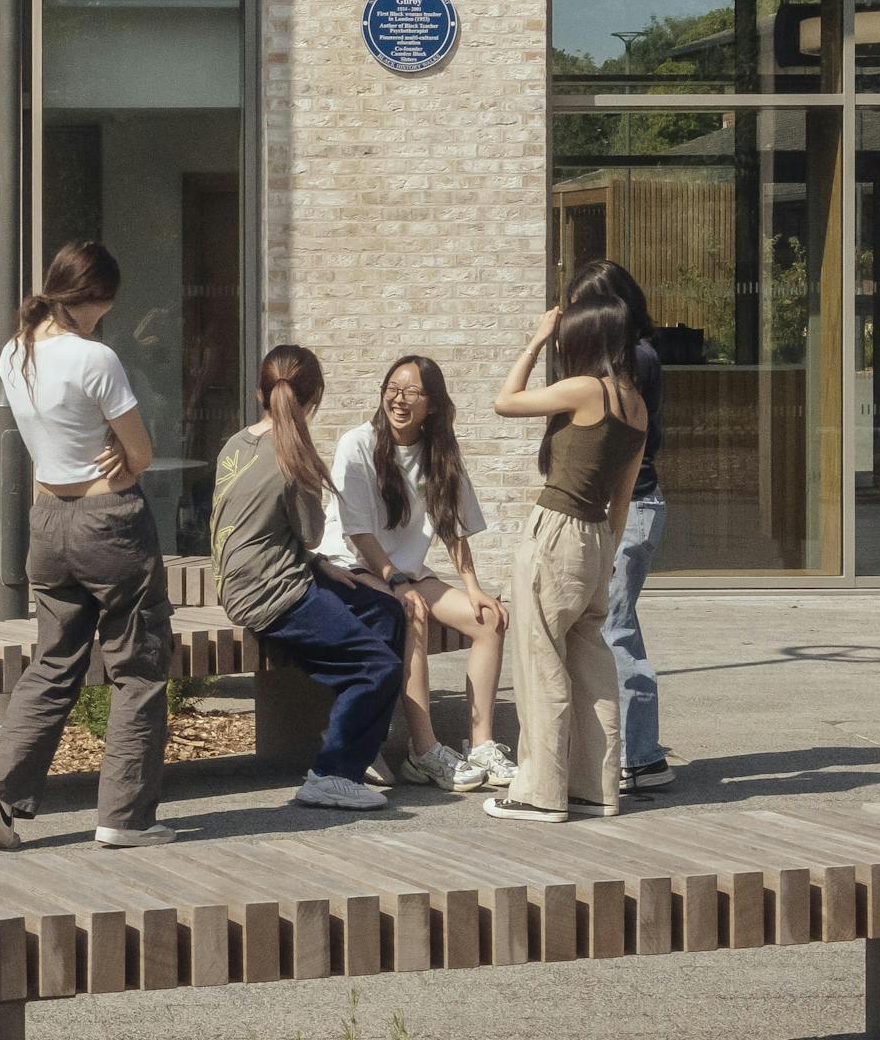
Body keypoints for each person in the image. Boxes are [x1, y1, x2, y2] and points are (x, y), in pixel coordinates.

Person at [0, 241, 173, 852]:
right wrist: (120, 447)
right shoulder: (96, 357)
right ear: (96, 297)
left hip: (48, 520)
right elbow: (140, 455)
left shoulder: (14, 352)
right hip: (108, 519)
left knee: (52, 663)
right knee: (137, 667)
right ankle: (124, 817)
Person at [211, 344, 407, 812]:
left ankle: (356, 740)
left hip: (249, 580)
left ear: (261, 391)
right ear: (314, 396)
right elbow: (314, 532)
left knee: (385, 610)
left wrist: (321, 568)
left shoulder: (235, 443)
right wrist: (315, 559)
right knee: (377, 667)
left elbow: (259, 531)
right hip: (274, 594)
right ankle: (332, 773)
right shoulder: (295, 459)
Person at [485, 298, 650, 823]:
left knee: (540, 663)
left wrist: (533, 341)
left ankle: (541, 792)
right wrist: (606, 550)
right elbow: (623, 496)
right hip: (600, 535)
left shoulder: (585, 390)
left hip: (556, 530)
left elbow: (504, 401)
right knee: (590, 666)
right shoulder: (636, 403)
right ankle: (595, 789)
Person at [326, 353, 511, 791]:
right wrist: (394, 580)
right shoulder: (357, 444)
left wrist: (475, 588)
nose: (399, 399)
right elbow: (357, 532)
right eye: (392, 388)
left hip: (406, 571)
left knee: (490, 620)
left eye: (411, 392)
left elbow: (453, 527)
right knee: (412, 611)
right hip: (354, 565)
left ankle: (482, 744)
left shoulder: (439, 453)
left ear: (433, 403)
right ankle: (423, 750)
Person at [562, 256, 674, 790]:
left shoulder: (637, 359)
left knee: (617, 629)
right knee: (614, 625)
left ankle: (644, 757)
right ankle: (632, 753)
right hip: (629, 506)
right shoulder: (627, 359)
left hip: (631, 507)